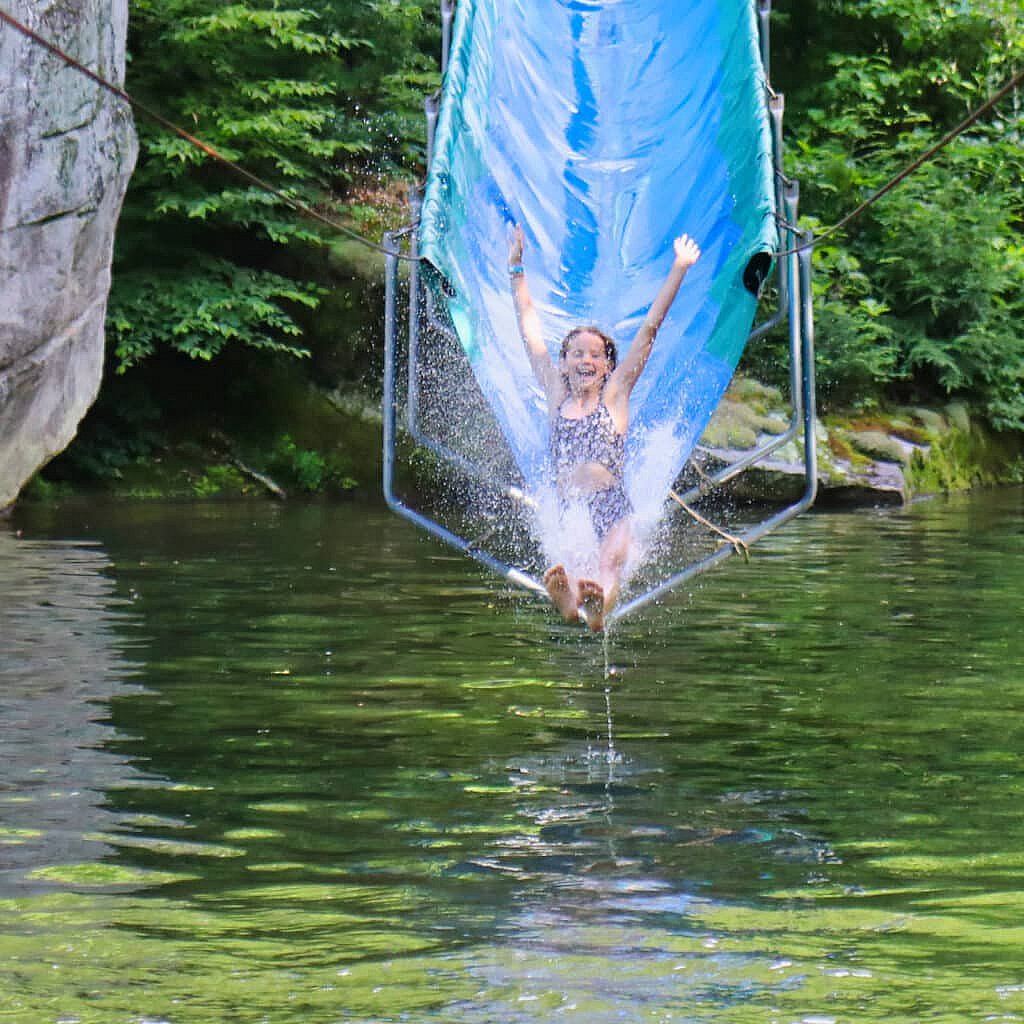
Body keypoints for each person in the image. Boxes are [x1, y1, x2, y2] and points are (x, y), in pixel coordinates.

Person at [508, 225, 701, 632]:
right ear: (562, 363)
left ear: (608, 366)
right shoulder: (556, 396)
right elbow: (530, 331)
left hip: (611, 504)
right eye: (577, 352)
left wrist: (680, 268)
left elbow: (650, 329)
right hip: (571, 505)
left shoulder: (615, 398)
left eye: (596, 354)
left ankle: (597, 609)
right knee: (574, 562)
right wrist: (516, 267)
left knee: (608, 566)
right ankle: (568, 600)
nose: (586, 359)